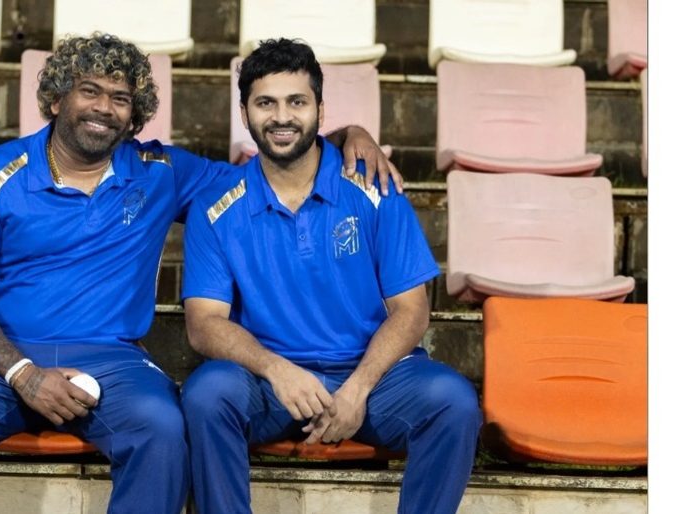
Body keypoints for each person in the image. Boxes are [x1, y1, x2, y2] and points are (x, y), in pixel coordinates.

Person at [0, 33, 402, 514]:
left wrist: (347, 136)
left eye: (120, 98)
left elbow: (276, 166)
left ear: (134, 115)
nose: (104, 107)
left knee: (162, 429)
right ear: (57, 99)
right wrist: (22, 373)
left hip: (112, 360)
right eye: (89, 91)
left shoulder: (161, 171)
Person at [179, 38, 482, 514]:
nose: (282, 117)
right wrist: (277, 370)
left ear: (321, 111)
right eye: (265, 103)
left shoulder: (375, 187)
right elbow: (203, 324)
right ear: (244, 113)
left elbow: (412, 311)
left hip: (372, 378)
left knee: (454, 402)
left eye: (297, 102)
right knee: (207, 394)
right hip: (269, 385)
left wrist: (357, 389)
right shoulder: (215, 206)